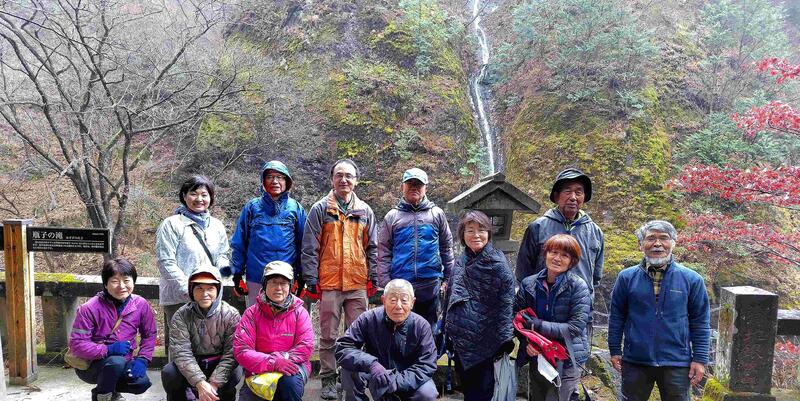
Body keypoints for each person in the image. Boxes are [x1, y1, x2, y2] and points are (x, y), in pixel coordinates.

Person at [608, 220, 711, 401]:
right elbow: (617, 317)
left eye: (664, 238)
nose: (657, 244)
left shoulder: (692, 280)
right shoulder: (626, 278)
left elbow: (700, 321)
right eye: (651, 238)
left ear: (673, 243)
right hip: (636, 361)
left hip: (677, 362)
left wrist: (700, 359)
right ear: (641, 245)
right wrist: (615, 350)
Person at [301, 158, 378, 399]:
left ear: (356, 180)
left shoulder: (365, 210)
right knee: (328, 334)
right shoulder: (320, 209)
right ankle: (328, 379)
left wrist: (374, 276)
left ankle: (352, 378)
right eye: (339, 175)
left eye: (349, 176)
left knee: (357, 333)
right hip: (329, 281)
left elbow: (373, 247)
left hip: (357, 282)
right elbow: (309, 246)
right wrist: (311, 278)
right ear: (332, 179)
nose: (344, 180)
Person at [515, 168, 604, 341]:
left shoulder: (595, 231)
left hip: (578, 317)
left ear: (584, 197)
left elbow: (596, 276)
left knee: (574, 365)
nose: (573, 197)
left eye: (579, 192)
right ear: (556, 196)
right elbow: (523, 272)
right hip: (541, 319)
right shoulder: (538, 227)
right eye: (567, 191)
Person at [443, 210, 515, 401]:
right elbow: (450, 296)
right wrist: (446, 329)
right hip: (460, 340)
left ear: (488, 234)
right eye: (470, 230)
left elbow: (506, 304)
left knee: (483, 393)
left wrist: (503, 340)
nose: (476, 235)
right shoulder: (461, 260)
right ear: (462, 235)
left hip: (486, 342)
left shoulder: (498, 263)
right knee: (468, 390)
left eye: (481, 230)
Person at [156, 175, 231, 354]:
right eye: (193, 193)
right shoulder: (172, 224)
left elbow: (222, 255)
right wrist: (190, 289)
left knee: (209, 346)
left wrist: (222, 275)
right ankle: (178, 382)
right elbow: (165, 261)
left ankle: (207, 382)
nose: (199, 199)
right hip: (179, 298)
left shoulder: (217, 225)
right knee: (181, 349)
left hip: (210, 298)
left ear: (211, 197)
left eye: (204, 195)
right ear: (184, 195)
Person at [514, 234, 591, 401]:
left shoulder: (578, 287)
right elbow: (517, 319)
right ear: (545, 254)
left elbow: (575, 327)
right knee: (538, 396)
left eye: (564, 255)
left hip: (567, 357)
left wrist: (539, 325)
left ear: (572, 261)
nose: (557, 258)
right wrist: (528, 342)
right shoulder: (529, 284)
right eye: (553, 252)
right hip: (538, 355)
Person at [69, 258, 157, 401]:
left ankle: (110, 390)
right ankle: (103, 396)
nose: (121, 286)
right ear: (105, 284)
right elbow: (77, 345)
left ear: (133, 281)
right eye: (115, 281)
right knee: (116, 362)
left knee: (141, 383)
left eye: (126, 280)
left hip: (123, 361)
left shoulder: (140, 304)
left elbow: (149, 334)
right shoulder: (89, 308)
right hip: (92, 365)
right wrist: (108, 349)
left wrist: (142, 359)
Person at [336, 279, 438, 401]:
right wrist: (371, 364)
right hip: (376, 373)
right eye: (393, 300)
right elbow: (343, 347)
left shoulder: (421, 326)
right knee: (348, 370)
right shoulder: (369, 318)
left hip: (407, 376)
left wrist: (397, 381)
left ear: (412, 302)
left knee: (428, 392)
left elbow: (427, 364)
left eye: (404, 301)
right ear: (384, 301)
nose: (398, 306)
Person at [377, 168, 454, 327]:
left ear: (426, 187)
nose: (414, 187)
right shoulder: (392, 216)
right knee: (400, 331)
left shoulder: (436, 214)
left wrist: (448, 279)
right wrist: (386, 284)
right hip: (400, 286)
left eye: (418, 184)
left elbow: (447, 248)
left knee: (428, 330)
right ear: (402, 187)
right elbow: (383, 252)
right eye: (410, 183)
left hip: (430, 285)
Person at [227, 160, 307, 306]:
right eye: (270, 177)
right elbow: (240, 243)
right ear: (263, 181)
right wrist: (237, 274)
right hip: (256, 276)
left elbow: (304, 244)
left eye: (280, 177)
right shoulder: (252, 207)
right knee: (256, 319)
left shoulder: (295, 208)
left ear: (287, 181)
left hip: (286, 277)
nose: (275, 181)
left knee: (284, 322)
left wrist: (302, 276)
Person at [234, 261, 314, 401]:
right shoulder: (251, 313)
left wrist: (283, 359)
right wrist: (273, 362)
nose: (278, 288)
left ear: (290, 286)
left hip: (292, 367)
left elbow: (305, 346)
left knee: (289, 383)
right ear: (265, 285)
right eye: (273, 282)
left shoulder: (300, 313)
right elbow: (242, 350)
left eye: (283, 283)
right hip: (259, 369)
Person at [161, 266, 243, 401]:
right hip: (193, 361)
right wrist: (200, 383)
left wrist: (214, 384)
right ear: (191, 290)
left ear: (218, 290)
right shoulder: (182, 315)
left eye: (210, 288)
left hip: (218, 362)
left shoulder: (231, 314)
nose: (205, 294)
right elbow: (182, 352)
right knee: (170, 373)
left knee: (234, 373)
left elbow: (231, 353)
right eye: (199, 288)